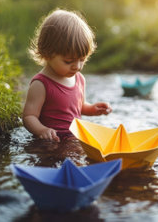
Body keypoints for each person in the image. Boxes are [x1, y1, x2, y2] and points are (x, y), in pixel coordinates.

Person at [22, 9, 112, 142]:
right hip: (52, 142)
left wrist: (93, 109)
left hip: (74, 138)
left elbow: (78, 107)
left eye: (82, 59)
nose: (78, 66)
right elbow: (29, 116)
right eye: (69, 61)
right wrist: (42, 130)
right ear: (47, 53)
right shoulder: (41, 84)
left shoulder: (79, 79)